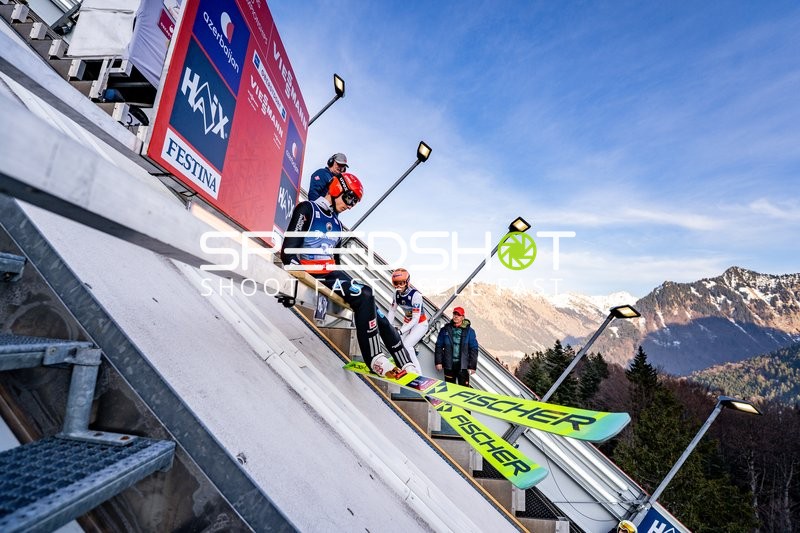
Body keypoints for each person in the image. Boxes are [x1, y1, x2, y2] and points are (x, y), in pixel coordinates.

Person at [281, 172, 412, 378]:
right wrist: (297, 281)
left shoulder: (337, 223)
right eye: (350, 198)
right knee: (366, 294)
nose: (350, 206)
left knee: (374, 310)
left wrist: (346, 284)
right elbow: (288, 252)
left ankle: (404, 361)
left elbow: (335, 259)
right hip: (315, 270)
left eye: (355, 202)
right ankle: (375, 359)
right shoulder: (308, 209)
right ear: (336, 189)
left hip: (332, 273)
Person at [387, 268, 427, 373]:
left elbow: (415, 319)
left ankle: (419, 374)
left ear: (407, 282)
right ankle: (403, 367)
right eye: (396, 283)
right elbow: (392, 311)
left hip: (420, 324)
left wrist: (401, 331)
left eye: (402, 283)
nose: (399, 286)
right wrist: (388, 326)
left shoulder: (416, 296)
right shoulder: (395, 294)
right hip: (407, 322)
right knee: (397, 343)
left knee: (408, 345)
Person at [434, 306, 478, 386]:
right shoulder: (445, 329)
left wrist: (472, 366)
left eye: (458, 315)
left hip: (463, 366)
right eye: (455, 314)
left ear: (463, 317)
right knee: (450, 388)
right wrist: (438, 362)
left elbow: (474, 349)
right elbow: (439, 346)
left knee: (464, 389)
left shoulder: (470, 331)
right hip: (449, 365)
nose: (456, 316)